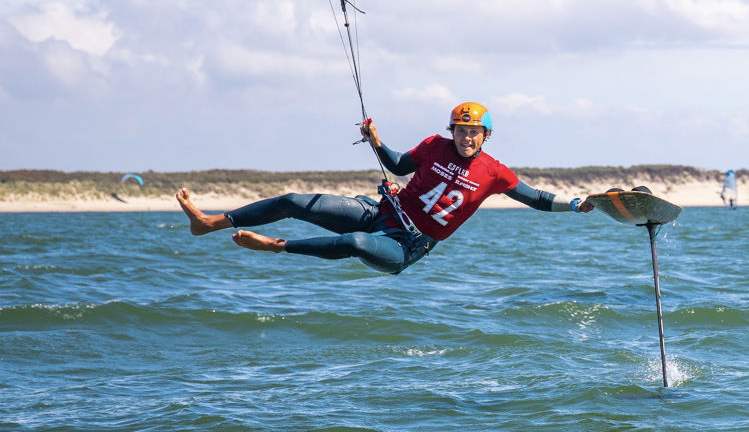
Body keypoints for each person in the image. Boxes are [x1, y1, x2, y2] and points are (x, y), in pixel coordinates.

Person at [176, 101, 593, 274]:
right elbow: (396, 165)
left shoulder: (494, 172)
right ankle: (209, 222)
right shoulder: (434, 145)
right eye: (461, 130)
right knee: (294, 200)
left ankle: (277, 246)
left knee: (357, 242)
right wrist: (376, 139)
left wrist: (576, 205)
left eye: (474, 132)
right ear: (453, 130)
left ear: (487, 134)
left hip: (407, 246)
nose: (467, 137)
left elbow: (536, 199)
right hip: (383, 212)